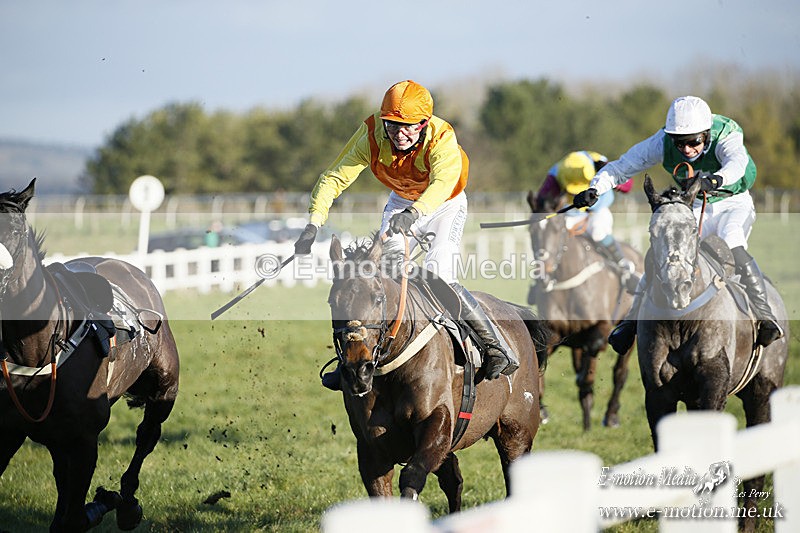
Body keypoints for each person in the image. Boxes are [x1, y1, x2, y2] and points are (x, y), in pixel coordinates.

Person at [293, 80, 518, 389]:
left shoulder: (442, 138)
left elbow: (441, 184)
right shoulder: (371, 134)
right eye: (392, 125)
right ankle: (359, 358)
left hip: (445, 204)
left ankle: (495, 347)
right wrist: (313, 223)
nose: (398, 133)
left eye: (408, 127)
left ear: (424, 124)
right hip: (401, 202)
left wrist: (414, 213)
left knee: (439, 274)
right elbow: (334, 177)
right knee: (385, 273)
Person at [573, 96, 784, 352]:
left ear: (706, 134)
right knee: (664, 248)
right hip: (694, 205)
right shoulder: (662, 141)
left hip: (733, 203)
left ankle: (765, 315)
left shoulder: (726, 133)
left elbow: (738, 164)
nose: (685, 149)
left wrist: (716, 180)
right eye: (679, 142)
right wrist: (595, 189)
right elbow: (623, 166)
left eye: (693, 142)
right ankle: (630, 322)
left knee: (731, 241)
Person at [530, 150, 638, 299]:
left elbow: (628, 186)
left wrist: (614, 178)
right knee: (551, 233)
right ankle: (542, 279)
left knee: (598, 231)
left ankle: (624, 267)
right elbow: (542, 202)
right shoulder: (556, 174)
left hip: (597, 210)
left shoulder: (599, 164)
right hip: (571, 213)